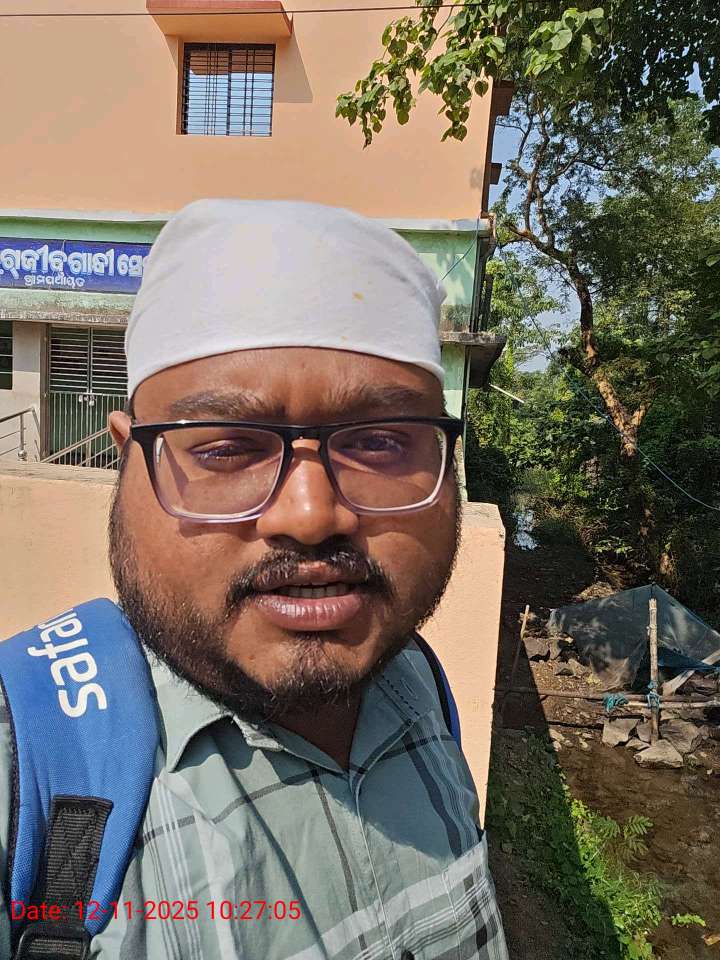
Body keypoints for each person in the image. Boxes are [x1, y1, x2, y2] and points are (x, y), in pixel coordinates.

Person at [0, 199, 508, 959]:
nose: (312, 514)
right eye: (227, 448)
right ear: (126, 458)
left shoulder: (418, 686)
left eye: (378, 442)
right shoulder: (29, 766)